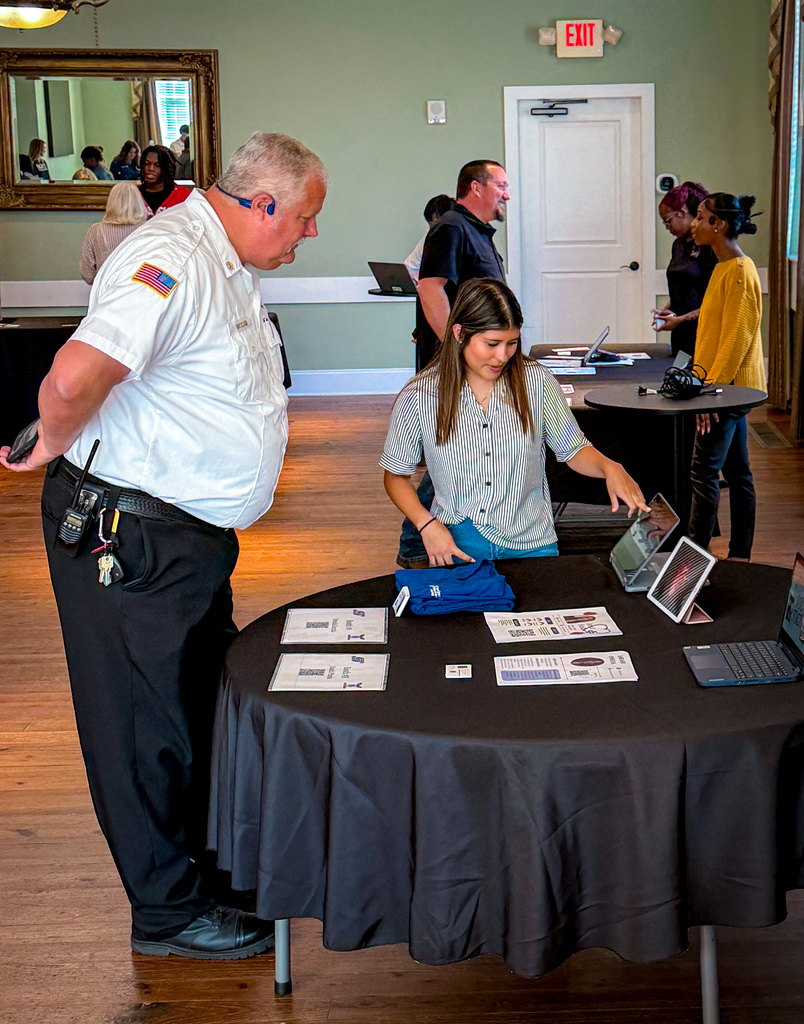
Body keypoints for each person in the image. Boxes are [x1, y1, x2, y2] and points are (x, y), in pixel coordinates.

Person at [0, 131, 328, 959]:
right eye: (305, 218)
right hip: (130, 532)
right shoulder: (170, 257)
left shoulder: (224, 261)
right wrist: (49, 441)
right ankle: (167, 915)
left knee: (190, 714)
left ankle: (202, 878)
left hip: (182, 539)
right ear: (261, 205)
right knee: (141, 730)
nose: (310, 235)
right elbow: (75, 376)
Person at [381, 279, 649, 565]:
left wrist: (609, 467)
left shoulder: (537, 381)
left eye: (512, 343)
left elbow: (573, 450)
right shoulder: (420, 395)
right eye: (492, 344)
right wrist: (426, 524)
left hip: (533, 543)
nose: (502, 356)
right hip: (457, 545)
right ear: (459, 334)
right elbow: (395, 476)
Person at [399, 161, 509, 569]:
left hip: (485, 362)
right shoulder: (450, 227)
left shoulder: (477, 233)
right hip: (464, 364)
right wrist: (457, 350)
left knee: (466, 449)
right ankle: (414, 541)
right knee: (454, 451)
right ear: (475, 187)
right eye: (501, 185)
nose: (507, 195)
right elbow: (430, 289)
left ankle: (439, 534)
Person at [687, 192, 765, 560]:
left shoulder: (739, 271)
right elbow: (712, 333)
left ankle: (691, 563)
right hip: (725, 389)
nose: (693, 224)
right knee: (738, 474)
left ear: (718, 224)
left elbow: (735, 341)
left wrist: (709, 393)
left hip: (730, 391)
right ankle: (740, 556)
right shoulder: (723, 268)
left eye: (700, 217)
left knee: (703, 473)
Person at [652, 181, 717, 358]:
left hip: (703, 334)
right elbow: (683, 286)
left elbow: (716, 301)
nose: (668, 228)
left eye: (668, 221)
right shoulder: (679, 245)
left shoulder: (711, 247)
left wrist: (679, 320)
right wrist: (667, 311)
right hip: (681, 336)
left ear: (682, 213)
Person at [79, 182, 148, 284]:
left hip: (105, 295)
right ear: (139, 202)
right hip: (142, 295)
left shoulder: (95, 231)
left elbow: (87, 274)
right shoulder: (149, 230)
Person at [404, 194, 454, 285]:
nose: (431, 228)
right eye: (429, 223)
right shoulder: (427, 240)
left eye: (434, 223)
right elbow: (409, 268)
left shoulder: (462, 241)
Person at [139, 144, 193, 215]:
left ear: (167, 168)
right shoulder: (133, 193)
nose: (151, 168)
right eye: (147, 164)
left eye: (157, 165)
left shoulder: (183, 195)